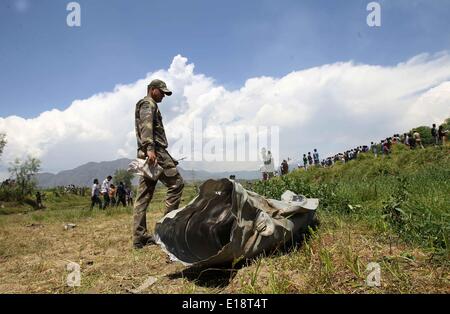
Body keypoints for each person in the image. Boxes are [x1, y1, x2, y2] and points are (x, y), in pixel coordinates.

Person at [133, 79, 184, 249]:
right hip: (155, 153)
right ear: (152, 89)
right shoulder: (148, 104)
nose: (163, 95)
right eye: (161, 92)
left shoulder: (148, 104)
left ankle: (139, 237)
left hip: (151, 153)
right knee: (176, 184)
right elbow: (147, 126)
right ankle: (166, 230)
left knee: (143, 196)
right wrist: (150, 148)